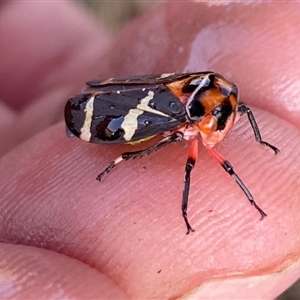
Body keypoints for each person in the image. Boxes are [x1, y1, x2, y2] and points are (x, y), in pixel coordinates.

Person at [0, 1, 299, 299]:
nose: (224, 120)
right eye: (215, 117)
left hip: (169, 95)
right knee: (181, 155)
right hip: (140, 112)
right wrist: (122, 157)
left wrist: (258, 139)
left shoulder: (218, 96)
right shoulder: (189, 116)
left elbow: (236, 107)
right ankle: (134, 166)